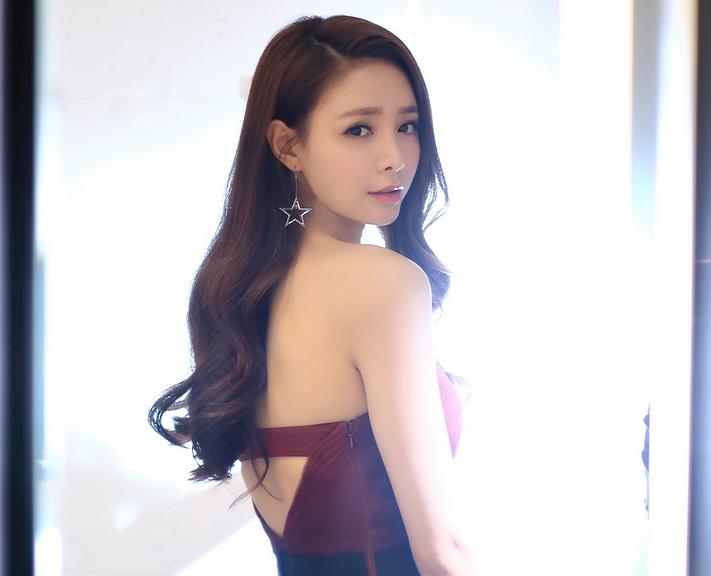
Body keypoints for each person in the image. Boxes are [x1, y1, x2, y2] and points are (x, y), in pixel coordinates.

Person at [149, 14, 472, 575]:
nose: (395, 156)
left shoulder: (242, 295)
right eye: (359, 129)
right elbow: (441, 550)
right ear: (288, 146)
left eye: (408, 125)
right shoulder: (383, 285)